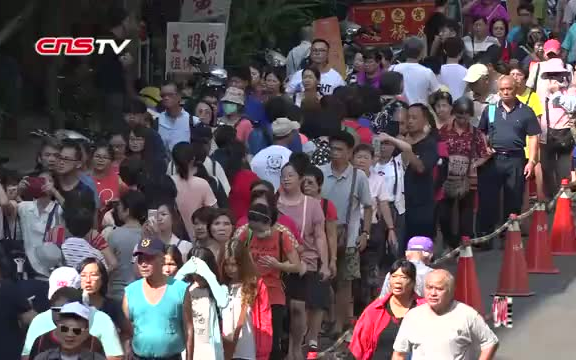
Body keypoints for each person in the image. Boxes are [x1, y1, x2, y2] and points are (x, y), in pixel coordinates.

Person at [477, 75, 541, 249]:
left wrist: (532, 161)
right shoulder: (490, 110)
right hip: (493, 160)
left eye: (509, 89)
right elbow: (481, 132)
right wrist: (485, 147)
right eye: (502, 89)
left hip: (516, 159)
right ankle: (485, 237)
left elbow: (534, 136)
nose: (505, 92)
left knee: (513, 199)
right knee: (488, 199)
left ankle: (509, 237)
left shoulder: (526, 111)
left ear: (515, 89)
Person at [319, 131, 372, 336]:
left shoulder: (358, 177)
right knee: (324, 281)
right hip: (322, 237)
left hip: (348, 238)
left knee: (344, 283)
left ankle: (339, 324)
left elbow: (368, 206)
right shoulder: (320, 173)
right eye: (332, 149)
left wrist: (364, 233)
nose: (335, 153)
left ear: (350, 152)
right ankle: (328, 318)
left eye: (340, 149)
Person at [233, 203, 302, 359]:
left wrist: (277, 265)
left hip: (273, 291)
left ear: (270, 224)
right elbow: (234, 259)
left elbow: (297, 266)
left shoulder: (281, 236)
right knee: (251, 336)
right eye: (253, 229)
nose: (257, 233)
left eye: (261, 230)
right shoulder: (246, 234)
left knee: (272, 337)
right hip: (249, 291)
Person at [278, 161, 330, 358]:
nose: (286, 178)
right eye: (283, 175)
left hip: (305, 260)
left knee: (298, 308)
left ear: (300, 179)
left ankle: (296, 348)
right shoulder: (275, 203)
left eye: (291, 174)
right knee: (284, 309)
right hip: (279, 262)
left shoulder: (313, 204)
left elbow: (320, 236)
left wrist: (324, 263)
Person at [392, 269, 499, 359]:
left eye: (439, 289)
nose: (433, 293)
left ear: (451, 291)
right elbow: (399, 354)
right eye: (429, 287)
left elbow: (490, 342)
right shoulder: (412, 316)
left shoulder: (467, 315)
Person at [23, 268, 123, 359]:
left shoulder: (102, 320)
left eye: (77, 330)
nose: (70, 334)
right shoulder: (39, 321)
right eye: (57, 308)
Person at [123, 236, 190, 359]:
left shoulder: (180, 289)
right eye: (140, 259)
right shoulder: (130, 291)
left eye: (149, 258)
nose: (143, 264)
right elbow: (127, 330)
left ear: (162, 259)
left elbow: (188, 329)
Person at [350, 260, 426, 360]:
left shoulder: (424, 309)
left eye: (403, 277)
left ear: (413, 282)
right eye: (394, 276)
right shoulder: (375, 310)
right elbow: (358, 349)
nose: (397, 281)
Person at [221, 239, 273, 360]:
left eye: (234, 264)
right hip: (225, 350)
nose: (230, 269)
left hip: (249, 350)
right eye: (226, 264)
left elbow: (265, 321)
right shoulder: (221, 286)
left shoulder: (255, 285)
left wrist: (263, 352)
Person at [94, 7, 133, 132]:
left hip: (103, 91)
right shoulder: (116, 42)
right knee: (115, 129)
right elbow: (127, 63)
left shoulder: (101, 39)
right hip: (114, 92)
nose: (130, 24)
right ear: (122, 22)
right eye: (128, 21)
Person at [171, 142, 218, 239]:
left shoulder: (168, 182)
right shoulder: (202, 183)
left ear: (173, 161)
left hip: (174, 239)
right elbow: (214, 212)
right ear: (193, 159)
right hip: (199, 238)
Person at [33, 302, 107, 360]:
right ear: (57, 330)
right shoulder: (43, 358)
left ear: (86, 334)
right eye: (64, 329)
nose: (70, 334)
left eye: (76, 331)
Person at [107, 190, 146, 300]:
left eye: (119, 205)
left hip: (116, 295)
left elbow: (107, 265)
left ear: (127, 211)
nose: (117, 208)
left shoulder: (114, 235)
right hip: (140, 295)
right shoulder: (148, 236)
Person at [250, 118, 299, 191]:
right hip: (284, 200)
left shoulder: (258, 156)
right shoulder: (292, 158)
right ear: (290, 135)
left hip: (262, 198)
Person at [390, 37, 441, 105]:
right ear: (421, 53)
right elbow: (437, 93)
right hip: (421, 111)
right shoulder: (427, 72)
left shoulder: (393, 69)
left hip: (398, 110)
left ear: (404, 51)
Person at [158, 82, 191, 154]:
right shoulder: (157, 120)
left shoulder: (192, 121)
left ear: (179, 96)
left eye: (170, 95)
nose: (166, 98)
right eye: (163, 95)